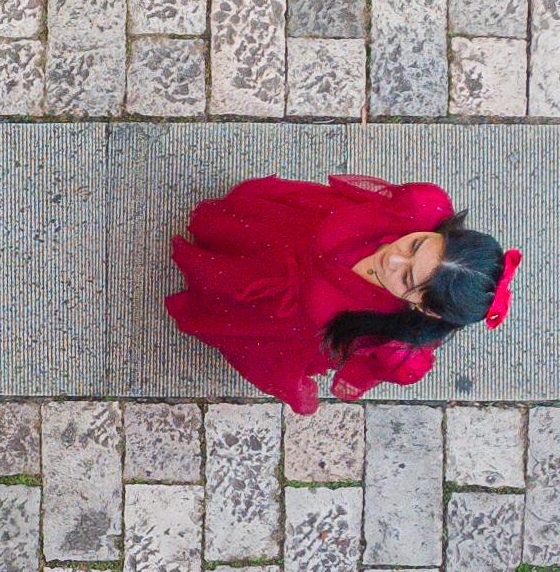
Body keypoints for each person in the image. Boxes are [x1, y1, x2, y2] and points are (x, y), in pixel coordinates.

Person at [165, 174, 515, 415]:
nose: (392, 257)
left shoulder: (394, 349)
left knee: (225, 298)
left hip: (283, 316)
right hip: (290, 230)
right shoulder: (423, 206)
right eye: (416, 244)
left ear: (426, 310)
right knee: (239, 229)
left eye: (406, 276)